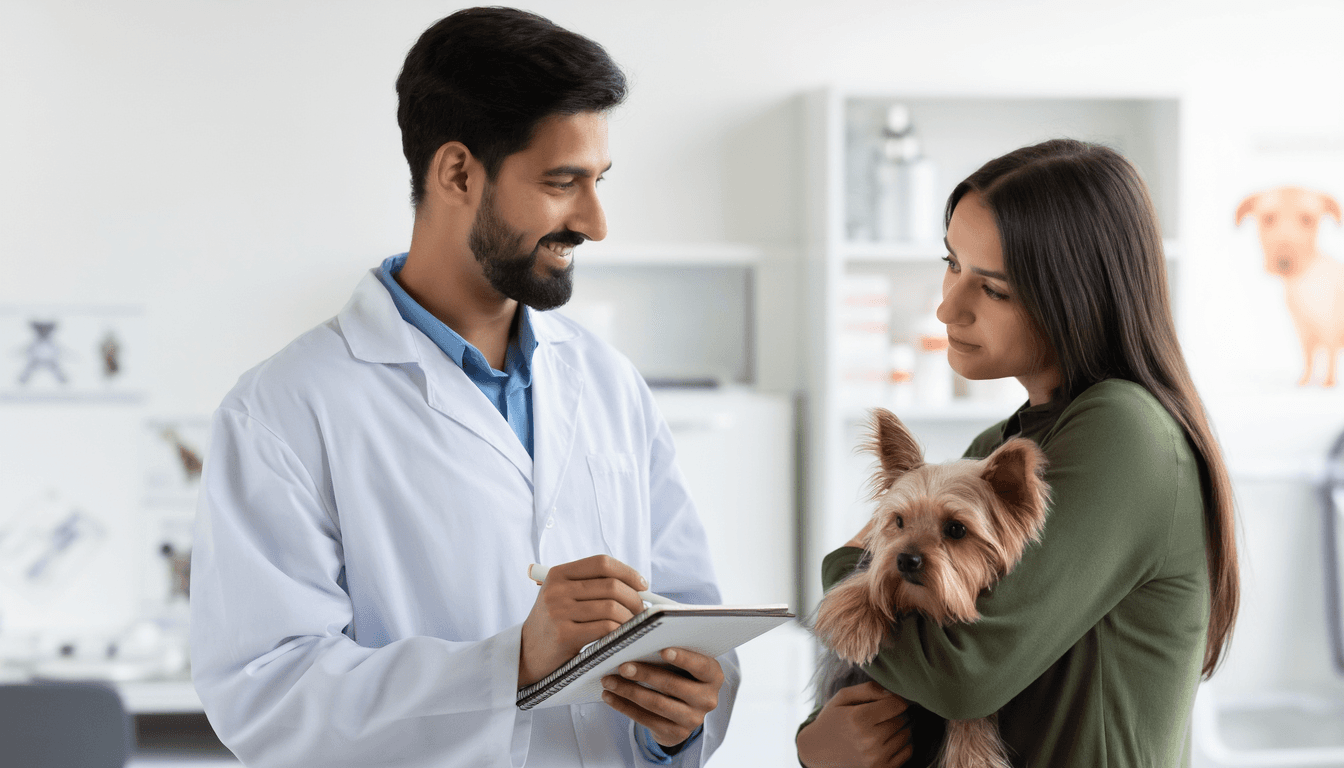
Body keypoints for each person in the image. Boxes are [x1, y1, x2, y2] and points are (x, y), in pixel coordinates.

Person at [189, 8, 738, 767]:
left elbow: (690, 612)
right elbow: (267, 696)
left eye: (599, 181)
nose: (596, 221)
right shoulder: (284, 409)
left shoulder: (608, 382)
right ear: (456, 172)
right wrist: (512, 661)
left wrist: (678, 720)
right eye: (561, 182)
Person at [796, 139, 1240, 767]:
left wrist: (846, 568)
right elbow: (908, 657)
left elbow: (963, 673)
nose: (947, 306)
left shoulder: (1126, 433)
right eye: (951, 263)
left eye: (994, 290)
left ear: (1077, 295)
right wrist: (820, 738)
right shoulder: (996, 449)